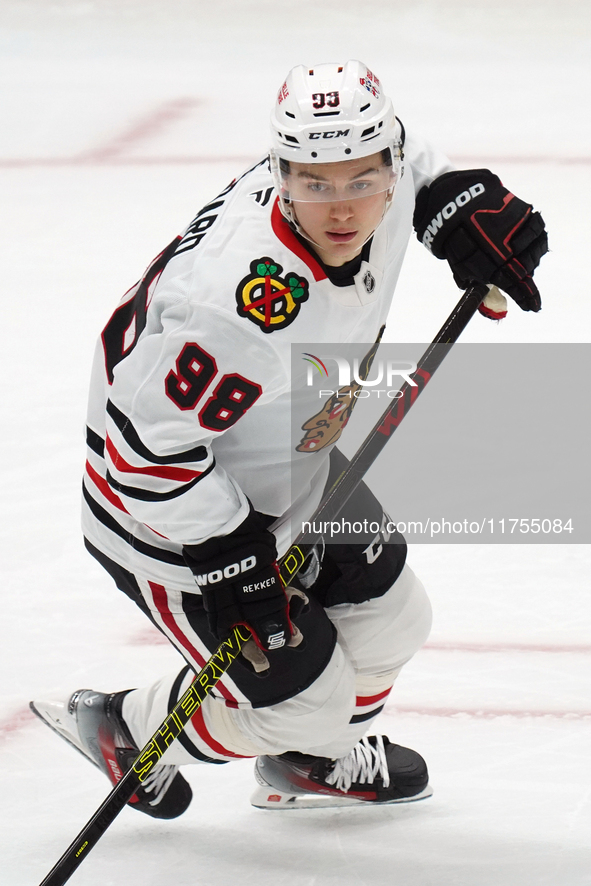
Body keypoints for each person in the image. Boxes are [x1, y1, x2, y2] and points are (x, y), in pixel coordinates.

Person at [31, 60, 547, 815]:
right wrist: (230, 556)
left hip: (289, 457)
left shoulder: (385, 170)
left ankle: (311, 759)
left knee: (393, 619)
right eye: (313, 183)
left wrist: (455, 202)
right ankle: (123, 727)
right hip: (171, 521)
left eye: (361, 180)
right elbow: (142, 455)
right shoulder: (238, 307)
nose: (341, 206)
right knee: (304, 700)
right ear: (281, 173)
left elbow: (409, 157)